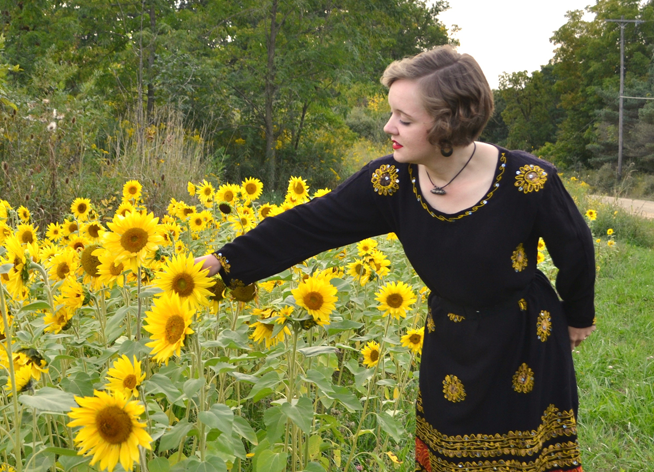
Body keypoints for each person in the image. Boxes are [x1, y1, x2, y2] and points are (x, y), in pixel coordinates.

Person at [196, 45, 596, 472]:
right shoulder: (390, 182)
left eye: (405, 119)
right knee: (452, 455)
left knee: (528, 457)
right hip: (451, 340)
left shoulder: (528, 180)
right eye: (392, 114)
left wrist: (578, 316)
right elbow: (309, 225)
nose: (389, 127)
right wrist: (225, 260)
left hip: (525, 338)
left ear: (450, 122)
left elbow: (575, 247)